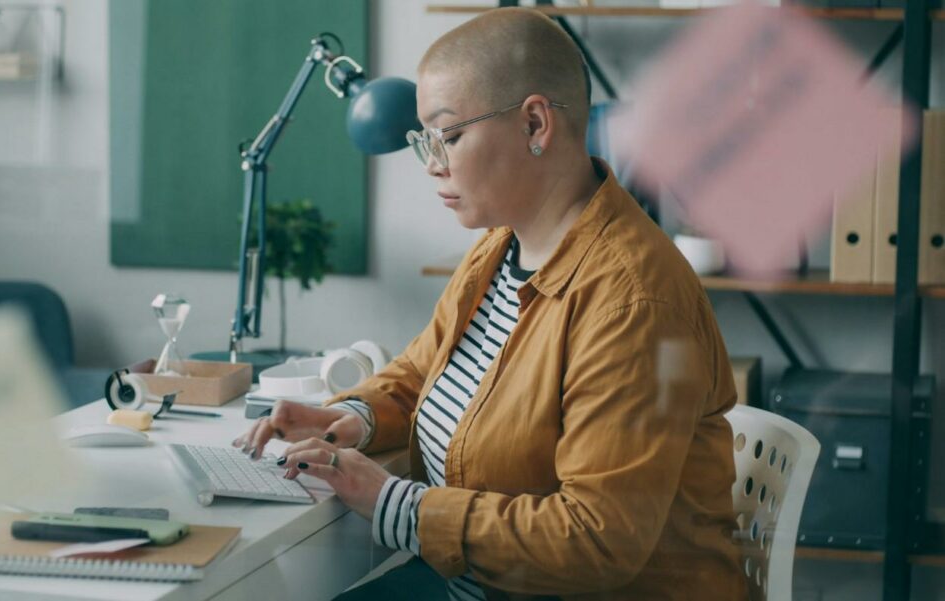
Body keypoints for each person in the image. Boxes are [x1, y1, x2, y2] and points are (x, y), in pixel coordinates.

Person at [234, 7, 747, 600]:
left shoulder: (633, 302)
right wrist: (355, 418)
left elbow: (597, 541)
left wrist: (390, 499)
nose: (432, 164)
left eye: (449, 136)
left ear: (534, 124)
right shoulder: (501, 248)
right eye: (425, 139)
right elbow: (423, 370)